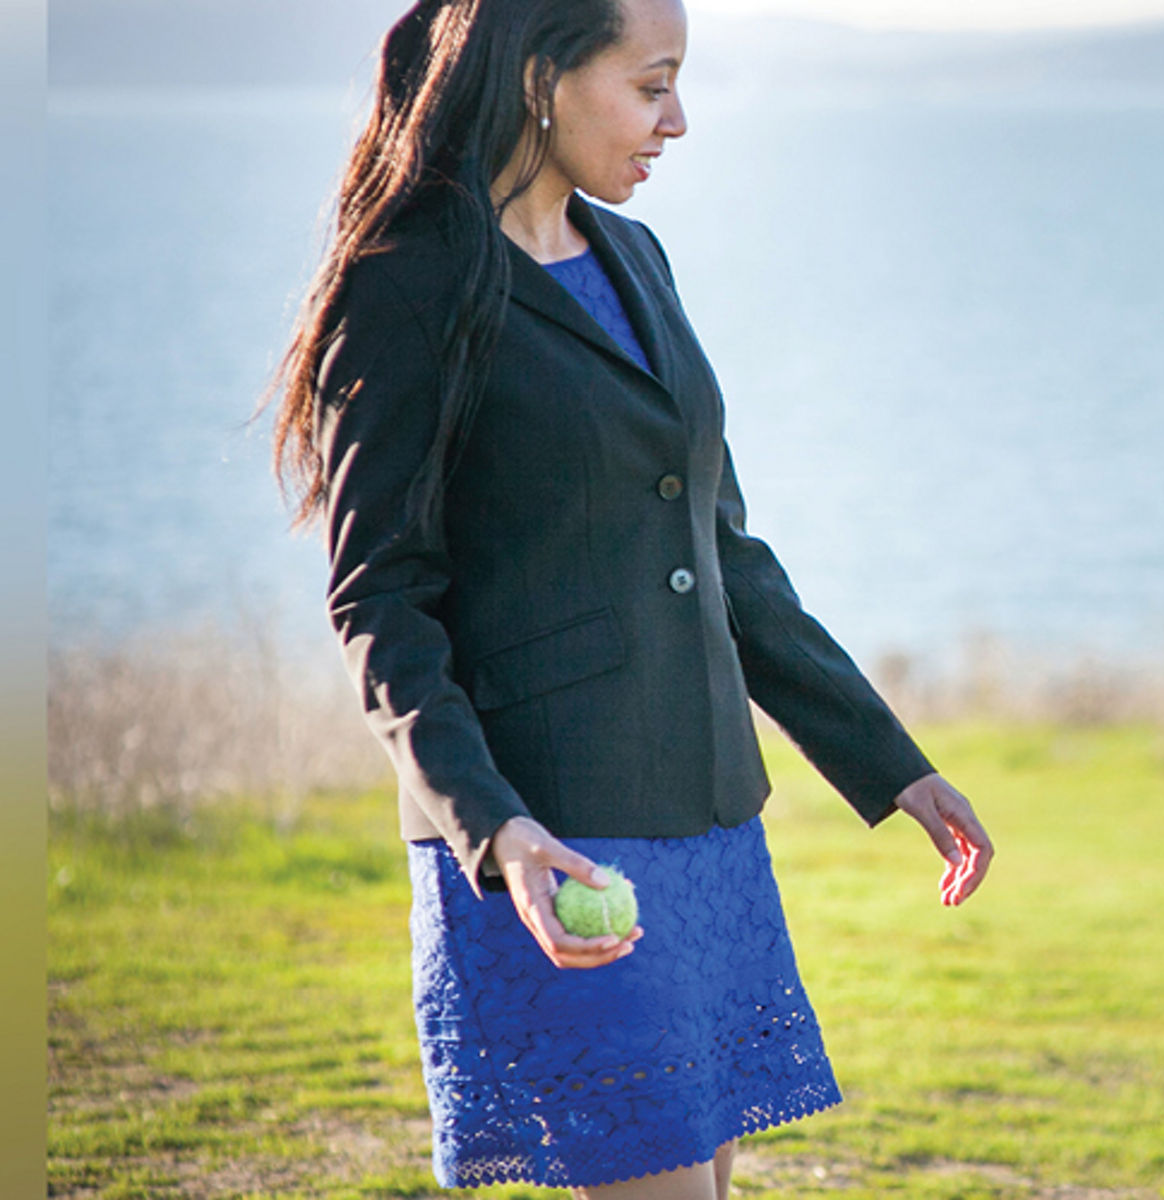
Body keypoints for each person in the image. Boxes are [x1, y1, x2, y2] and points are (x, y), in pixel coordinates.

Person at [266, 0, 993, 1196]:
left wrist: (890, 764)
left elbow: (722, 554)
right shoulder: (409, 283)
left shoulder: (632, 258)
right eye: (652, 85)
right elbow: (379, 599)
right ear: (542, 77)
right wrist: (491, 829)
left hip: (705, 825)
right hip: (551, 834)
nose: (680, 121)